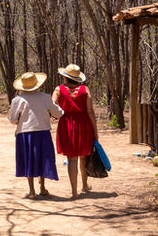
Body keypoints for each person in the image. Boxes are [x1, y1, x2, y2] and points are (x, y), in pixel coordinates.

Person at [8, 71, 64, 199]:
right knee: (42, 158)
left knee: (29, 159)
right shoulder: (45, 97)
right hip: (42, 133)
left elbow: (13, 120)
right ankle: (42, 187)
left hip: (25, 134)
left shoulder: (17, 100)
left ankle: (31, 190)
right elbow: (58, 113)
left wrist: (18, 120)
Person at [52, 64, 98, 199]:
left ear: (65, 78)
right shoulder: (85, 90)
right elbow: (90, 111)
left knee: (72, 159)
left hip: (66, 125)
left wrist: (57, 114)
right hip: (84, 125)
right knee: (84, 156)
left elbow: (52, 106)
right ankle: (84, 185)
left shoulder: (58, 89)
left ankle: (74, 192)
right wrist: (95, 130)